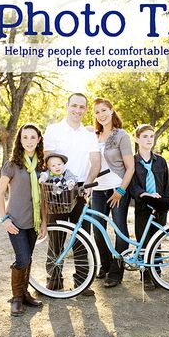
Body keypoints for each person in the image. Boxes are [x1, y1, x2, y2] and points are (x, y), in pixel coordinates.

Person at [44, 93, 101, 296]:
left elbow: (96, 162)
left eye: (82, 107)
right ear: (67, 105)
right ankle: (54, 280)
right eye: (74, 105)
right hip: (57, 188)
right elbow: (47, 160)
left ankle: (82, 281)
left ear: (86, 110)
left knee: (82, 234)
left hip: (80, 189)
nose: (78, 110)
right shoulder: (53, 130)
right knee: (56, 235)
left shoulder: (89, 135)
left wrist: (87, 185)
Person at [0, 123, 46, 316]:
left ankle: (24, 293)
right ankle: (16, 298)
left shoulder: (41, 166)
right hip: (15, 222)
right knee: (22, 259)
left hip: (32, 222)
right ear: (20, 140)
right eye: (25, 137)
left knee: (28, 258)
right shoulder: (12, 165)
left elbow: (43, 198)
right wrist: (4, 219)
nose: (29, 141)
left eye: (33, 137)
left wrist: (43, 222)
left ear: (39, 140)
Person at [92, 98, 134, 288]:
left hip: (118, 188)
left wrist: (120, 191)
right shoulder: (94, 135)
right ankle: (106, 264)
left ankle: (116, 272)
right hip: (98, 189)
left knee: (119, 229)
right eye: (97, 112)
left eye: (103, 110)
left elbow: (130, 167)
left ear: (111, 110)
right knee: (97, 230)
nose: (100, 115)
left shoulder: (121, 136)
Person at [129, 124, 169, 290]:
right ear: (137, 139)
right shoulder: (133, 161)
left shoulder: (160, 161)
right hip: (143, 207)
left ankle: (157, 274)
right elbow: (132, 184)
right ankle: (146, 276)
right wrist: (144, 195)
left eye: (151, 136)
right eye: (145, 136)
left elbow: (167, 184)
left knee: (157, 241)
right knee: (143, 241)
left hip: (159, 206)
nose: (149, 139)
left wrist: (167, 202)